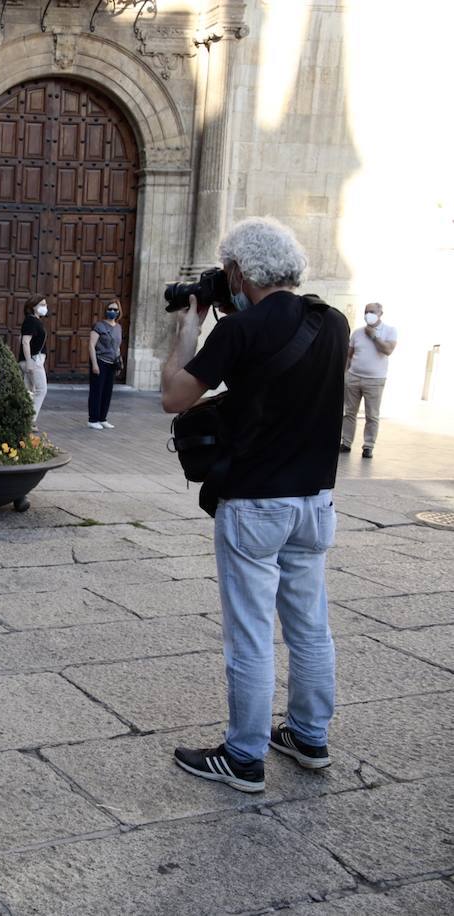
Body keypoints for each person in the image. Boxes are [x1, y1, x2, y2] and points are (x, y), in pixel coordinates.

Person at [160, 216, 348, 793]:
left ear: (239, 270)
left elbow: (174, 395)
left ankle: (243, 755)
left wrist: (188, 327)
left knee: (249, 633)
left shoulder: (240, 331)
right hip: (314, 501)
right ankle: (308, 737)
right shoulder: (333, 321)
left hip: (255, 505)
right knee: (310, 625)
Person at [341, 302, 397, 458]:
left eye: (372, 311)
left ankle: (368, 446)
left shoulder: (390, 331)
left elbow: (388, 350)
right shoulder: (357, 333)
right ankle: (346, 442)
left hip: (375, 380)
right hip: (354, 377)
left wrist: (374, 336)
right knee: (349, 412)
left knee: (372, 415)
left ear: (380, 313)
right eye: (366, 311)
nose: (368, 314)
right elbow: (349, 355)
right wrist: (345, 374)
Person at [87, 300, 122, 429]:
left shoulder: (118, 327)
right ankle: (93, 419)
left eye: (115, 309)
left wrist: (119, 363)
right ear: (106, 310)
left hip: (112, 363)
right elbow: (91, 345)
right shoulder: (99, 326)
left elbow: (117, 347)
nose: (112, 312)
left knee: (107, 392)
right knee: (97, 391)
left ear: (119, 312)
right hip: (100, 361)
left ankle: (102, 418)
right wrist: (94, 364)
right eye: (110, 309)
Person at [20, 294, 50, 427]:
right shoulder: (31, 321)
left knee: (29, 391)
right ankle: (30, 421)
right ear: (33, 307)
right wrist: (29, 362)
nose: (45, 307)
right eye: (42, 304)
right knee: (41, 390)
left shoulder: (35, 320)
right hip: (33, 361)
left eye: (45, 304)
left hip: (33, 360)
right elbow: (25, 342)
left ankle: (24, 419)